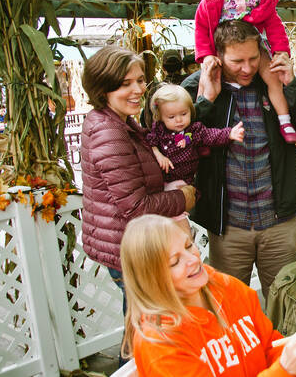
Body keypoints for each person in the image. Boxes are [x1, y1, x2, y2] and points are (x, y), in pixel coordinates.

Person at [183, 20, 296, 297]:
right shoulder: (198, 86)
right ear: (218, 56)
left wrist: (292, 84)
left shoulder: (273, 81)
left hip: (279, 223)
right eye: (237, 61)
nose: (247, 68)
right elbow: (175, 140)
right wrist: (206, 100)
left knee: (285, 302)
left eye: (253, 58)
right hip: (229, 227)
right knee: (231, 306)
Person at [80, 45, 198, 366]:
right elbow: (136, 207)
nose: (137, 90)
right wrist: (184, 198)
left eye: (140, 80)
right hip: (129, 247)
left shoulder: (118, 122)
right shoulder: (108, 131)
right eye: (125, 84)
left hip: (128, 243)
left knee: (140, 323)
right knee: (146, 330)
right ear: (102, 88)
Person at [120, 214, 296, 376]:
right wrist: (284, 370)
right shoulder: (159, 343)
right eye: (175, 261)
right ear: (153, 279)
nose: (192, 259)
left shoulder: (228, 287)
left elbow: (271, 343)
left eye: (189, 245)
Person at [195, 0, 296, 144]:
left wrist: (281, 51)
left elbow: (274, 24)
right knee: (205, 81)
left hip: (255, 45)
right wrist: (206, 55)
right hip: (222, 49)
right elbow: (201, 27)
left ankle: (285, 121)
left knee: (273, 77)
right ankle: (201, 131)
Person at [146, 83, 244, 230]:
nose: (179, 120)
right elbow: (150, 143)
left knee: (183, 211)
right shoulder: (159, 131)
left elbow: (210, 136)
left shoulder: (194, 130)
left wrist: (229, 133)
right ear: (160, 116)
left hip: (185, 181)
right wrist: (159, 155)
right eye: (171, 117)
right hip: (163, 181)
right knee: (167, 217)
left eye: (184, 114)